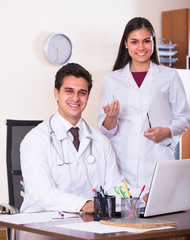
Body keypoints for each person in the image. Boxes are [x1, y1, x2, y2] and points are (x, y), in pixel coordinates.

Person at [18, 63, 125, 240]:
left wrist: (140, 196)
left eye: (81, 93)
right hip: (41, 225)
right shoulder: (35, 139)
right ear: (56, 94)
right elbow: (41, 192)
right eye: (69, 91)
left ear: (87, 97)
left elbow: (115, 185)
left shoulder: (99, 141)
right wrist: (84, 204)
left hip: (87, 223)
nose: (75, 98)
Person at [98, 17, 190, 194]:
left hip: (158, 159)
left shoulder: (169, 76)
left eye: (146, 41)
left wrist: (166, 131)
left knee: (160, 216)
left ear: (153, 43)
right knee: (125, 216)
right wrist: (111, 117)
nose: (141, 47)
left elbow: (185, 117)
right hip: (122, 164)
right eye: (134, 42)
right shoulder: (112, 80)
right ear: (126, 44)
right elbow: (105, 131)